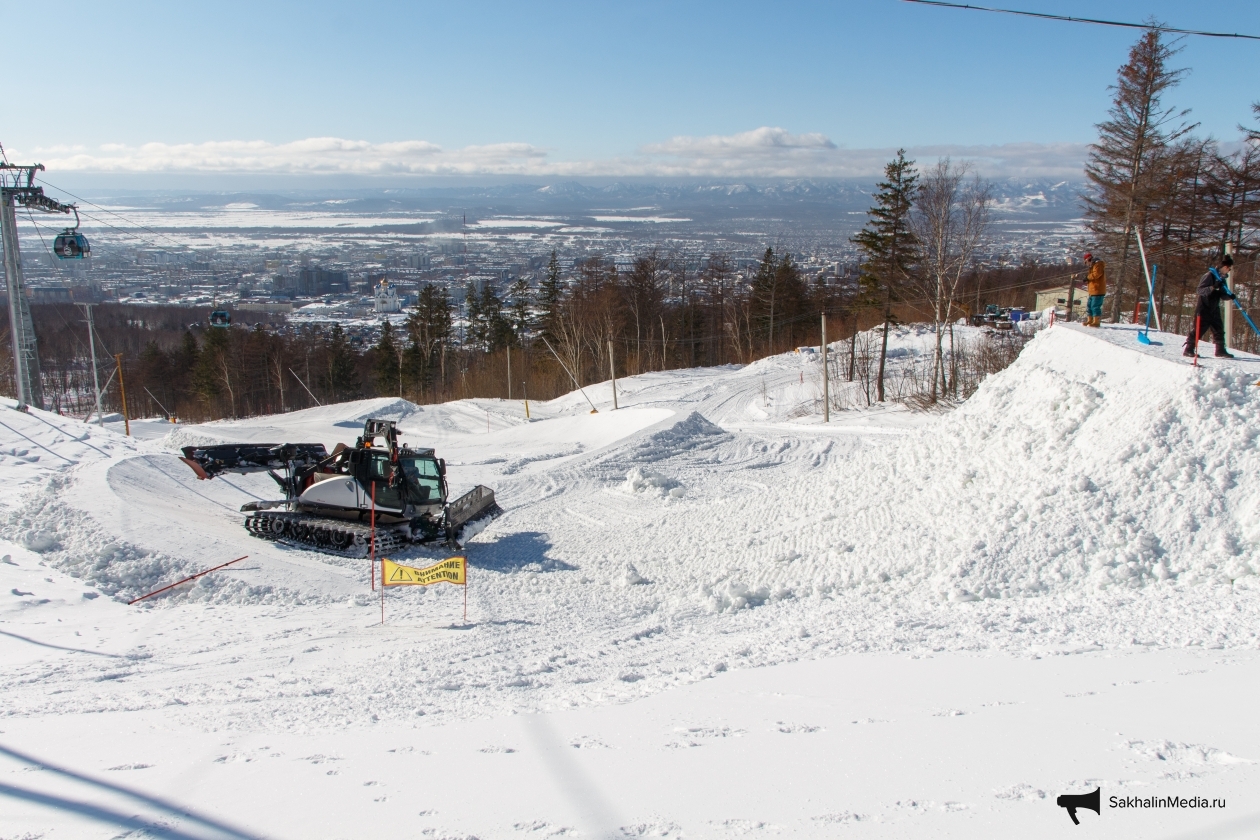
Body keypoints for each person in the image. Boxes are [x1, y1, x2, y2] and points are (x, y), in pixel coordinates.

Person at [1184, 254, 1236, 359]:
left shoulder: (1222, 279)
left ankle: (1220, 350)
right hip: (1204, 307)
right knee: (1199, 329)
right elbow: (1200, 290)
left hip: (1214, 308)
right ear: (1224, 267)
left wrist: (1229, 296)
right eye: (1229, 268)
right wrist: (1213, 287)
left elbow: (1222, 295)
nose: (1229, 270)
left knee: (1219, 329)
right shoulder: (1209, 275)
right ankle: (1188, 349)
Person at [1083, 252, 1106, 327]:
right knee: (1089, 306)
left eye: (1086, 262)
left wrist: (1088, 277)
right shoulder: (1093, 266)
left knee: (1095, 306)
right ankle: (1090, 320)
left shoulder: (1098, 264)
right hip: (1093, 290)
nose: (1087, 264)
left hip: (1097, 290)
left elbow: (1096, 274)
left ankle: (1096, 321)